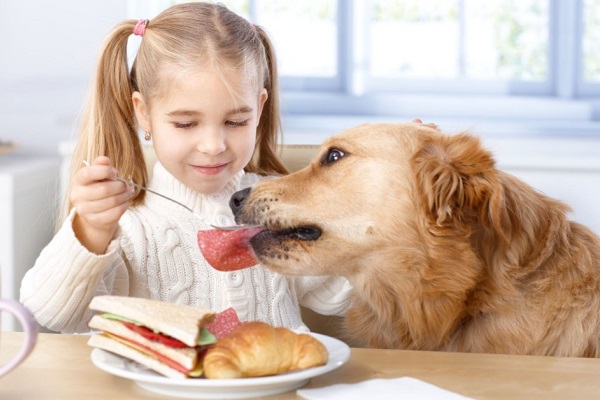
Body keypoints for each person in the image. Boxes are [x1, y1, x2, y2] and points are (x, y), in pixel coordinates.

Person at [20, 2, 351, 334]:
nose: (213, 145)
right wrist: (92, 230)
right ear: (144, 112)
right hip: (156, 387)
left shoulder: (278, 204)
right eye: (185, 124)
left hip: (279, 383)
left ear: (259, 109)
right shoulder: (124, 222)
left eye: (236, 121)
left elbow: (344, 296)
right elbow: (53, 314)